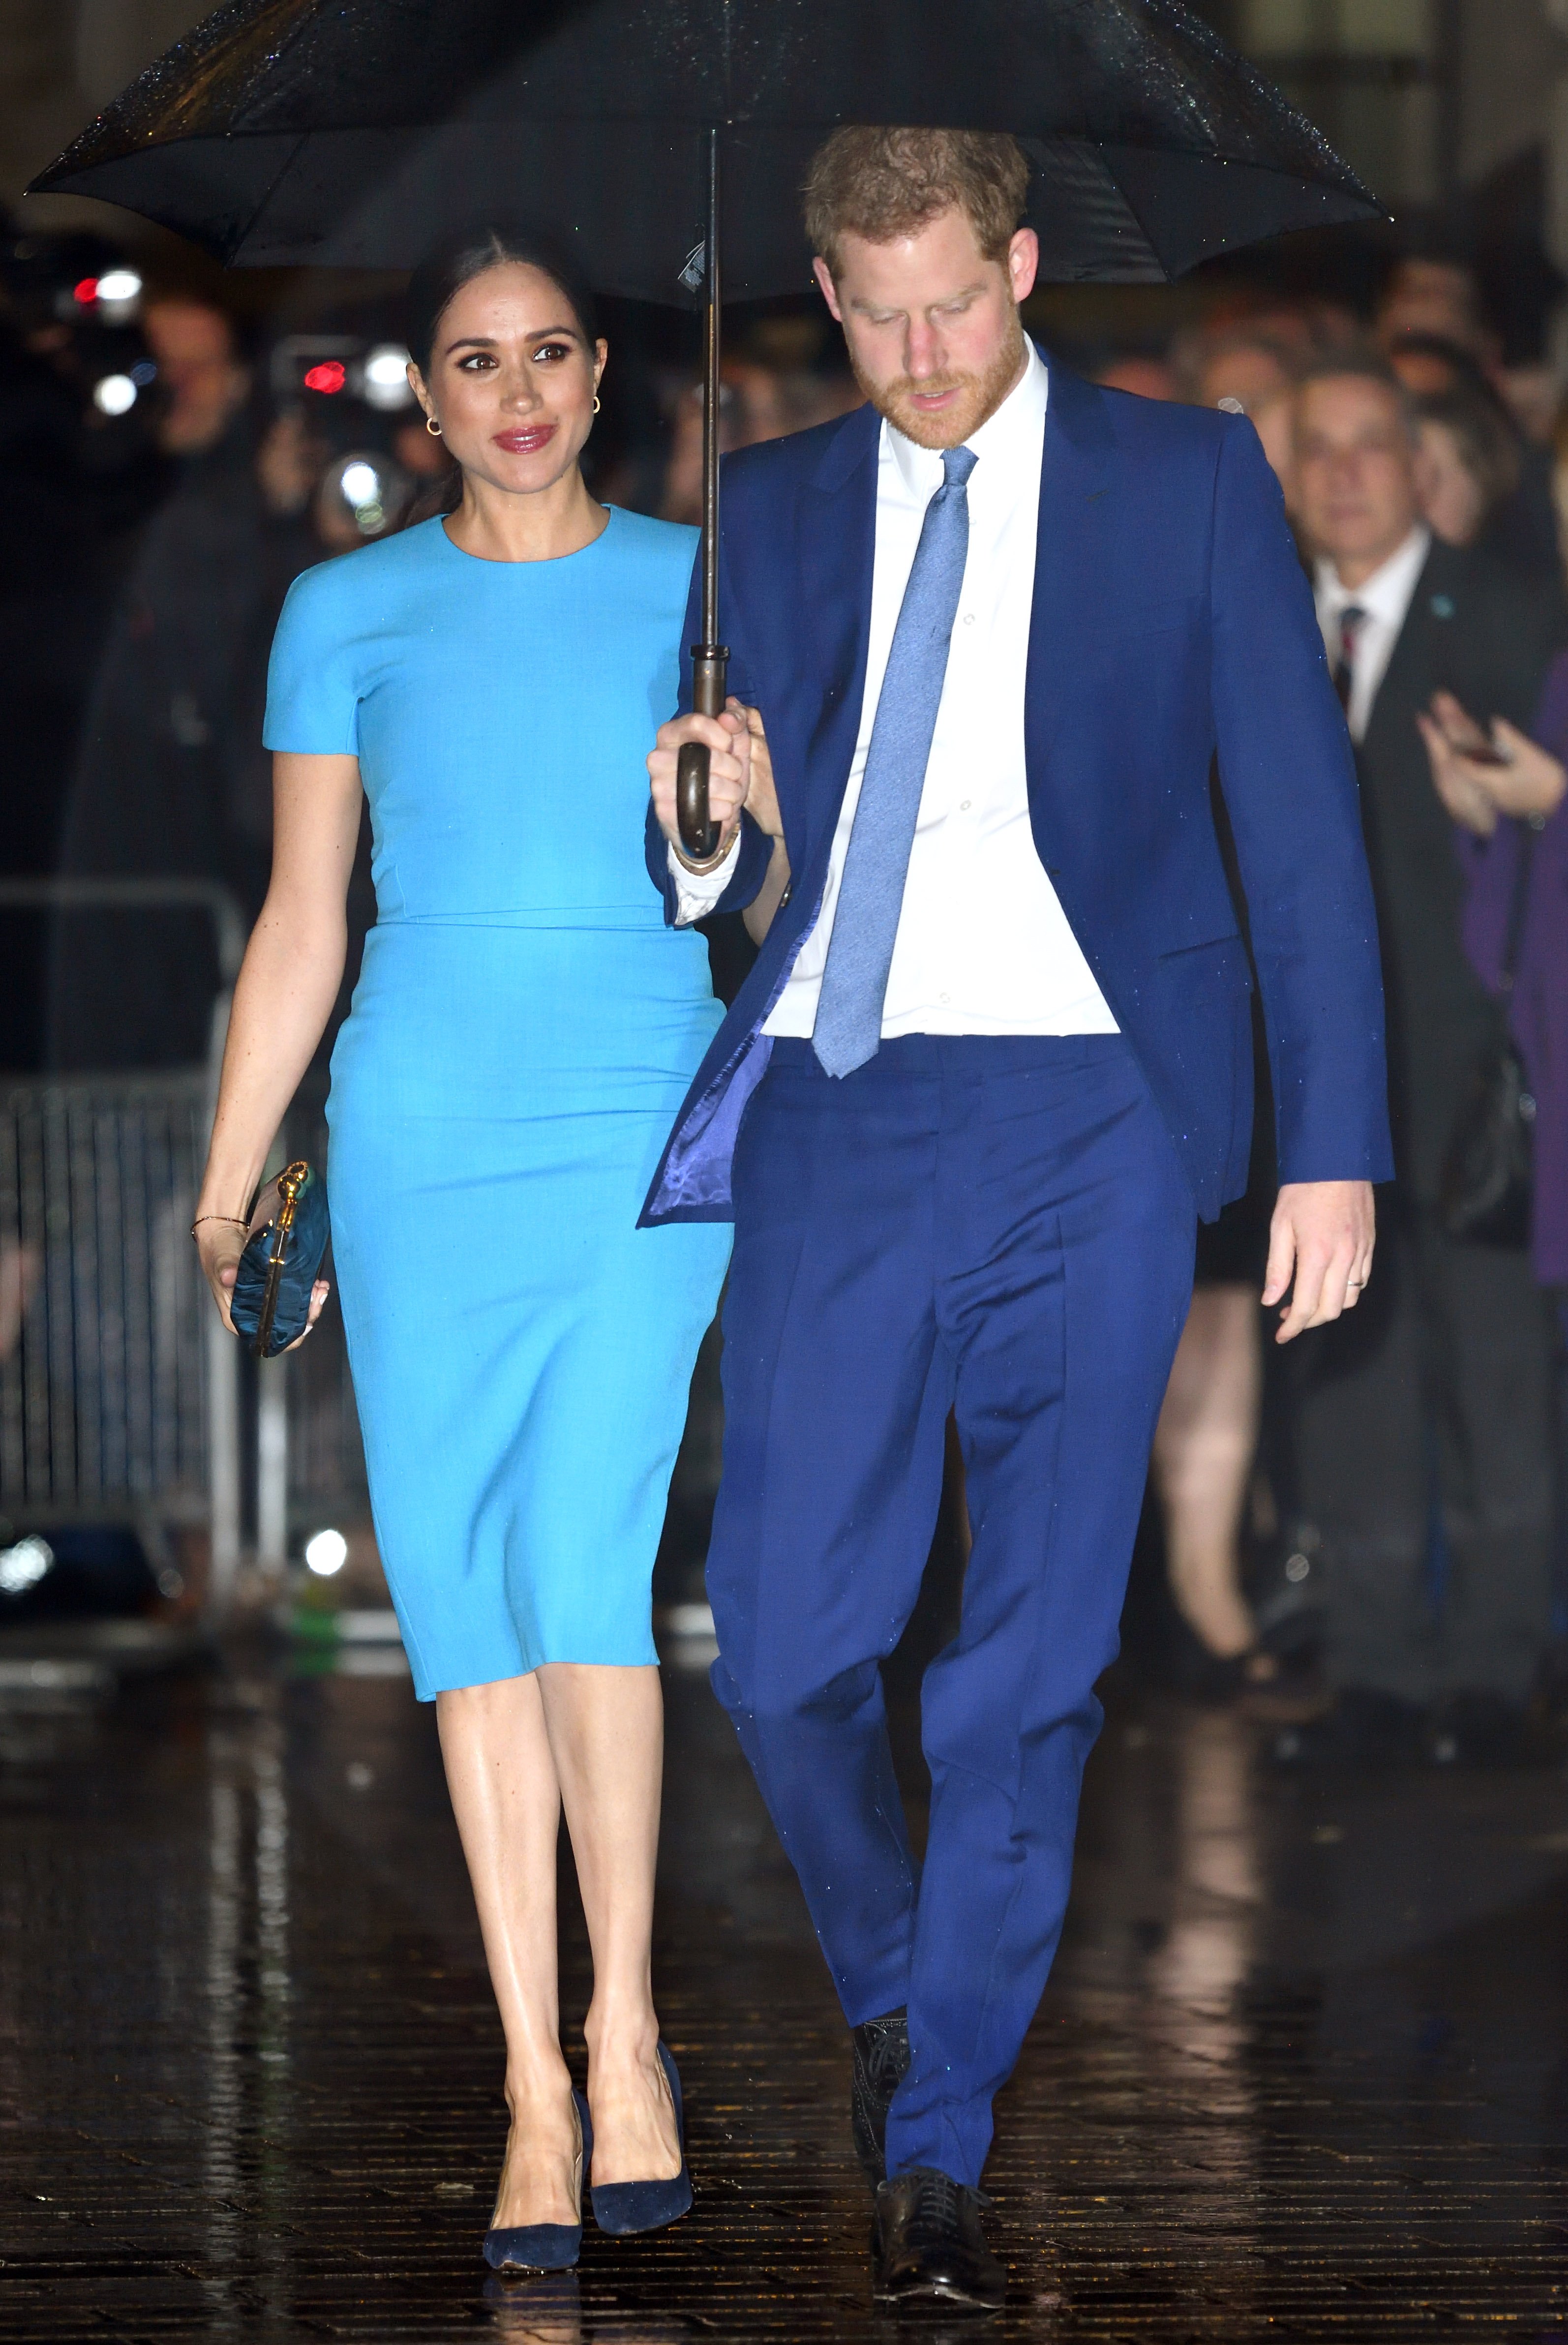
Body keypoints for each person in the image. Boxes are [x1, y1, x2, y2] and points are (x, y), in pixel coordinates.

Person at [645, 128, 1388, 2311]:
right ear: (818, 290)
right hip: (839, 1108)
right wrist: (699, 826)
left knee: (1027, 1671)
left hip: (1091, 1120)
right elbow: (718, 890)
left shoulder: (1183, 480)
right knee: (781, 1651)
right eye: (869, 313)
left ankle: (940, 2127)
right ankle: (892, 1978)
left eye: (949, 304)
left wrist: (1324, 1142)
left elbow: (1295, 831)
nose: (914, 355)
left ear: (1023, 265)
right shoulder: (768, 505)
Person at [191, 226, 731, 2274]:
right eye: (471, 359)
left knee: (585, 1557)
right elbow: (303, 918)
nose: (513, 390)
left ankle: (626, 2029)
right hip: (419, 1130)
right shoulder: (344, 611)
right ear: (427, 399)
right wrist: (232, 1177)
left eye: (548, 353)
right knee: (464, 1597)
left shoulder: (705, 589)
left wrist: (737, 811)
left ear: (604, 377)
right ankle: (526, 2071)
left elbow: (760, 875)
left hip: (638, 1112)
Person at [1282, 355, 1563, 1770]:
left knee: (1498, 1379)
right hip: (1325, 1096)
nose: (1339, 472)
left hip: (1478, 1080)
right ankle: (1378, 1669)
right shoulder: (1266, 628)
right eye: (1312, 447)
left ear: (1417, 465)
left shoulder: (1506, 618)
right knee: (1348, 1381)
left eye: (1365, 445)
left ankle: (1495, 1669)